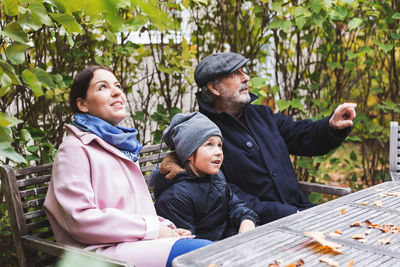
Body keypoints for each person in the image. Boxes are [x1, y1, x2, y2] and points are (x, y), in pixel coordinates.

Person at [44, 65, 212, 267]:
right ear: (82, 104)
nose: (116, 91)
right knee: (204, 255)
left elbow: (134, 210)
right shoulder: (74, 149)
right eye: (102, 87)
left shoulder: (118, 146)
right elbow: (80, 219)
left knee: (216, 253)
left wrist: (165, 226)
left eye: (117, 85)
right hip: (98, 254)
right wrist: (152, 229)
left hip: (132, 244)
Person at [194, 52, 357, 224]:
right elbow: (226, 194)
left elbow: (302, 136)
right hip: (259, 227)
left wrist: (331, 125)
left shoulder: (262, 115)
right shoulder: (205, 133)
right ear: (214, 88)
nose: (246, 77)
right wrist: (288, 213)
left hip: (301, 212)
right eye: (236, 73)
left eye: (244, 71)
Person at [151, 112, 259, 241]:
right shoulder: (175, 197)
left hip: (230, 243)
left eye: (220, 145)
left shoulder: (215, 178)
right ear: (189, 153)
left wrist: (246, 220)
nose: (218, 152)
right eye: (209, 145)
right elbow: (188, 245)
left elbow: (236, 206)